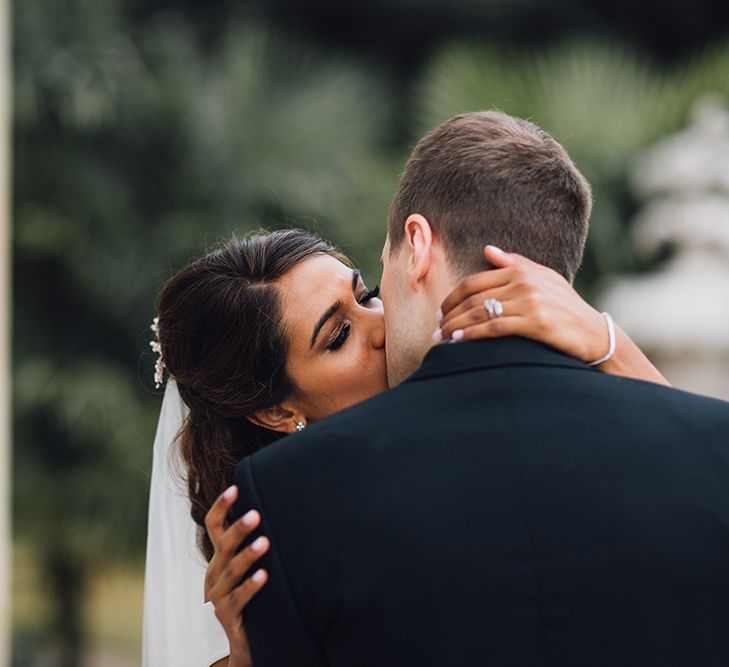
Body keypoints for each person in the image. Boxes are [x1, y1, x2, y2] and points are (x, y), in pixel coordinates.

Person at [142, 119, 675, 666]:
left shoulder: (500, 428)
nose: (381, 322)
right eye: (339, 335)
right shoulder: (289, 546)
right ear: (279, 409)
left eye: (366, 294)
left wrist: (606, 341)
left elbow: (692, 463)